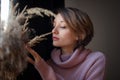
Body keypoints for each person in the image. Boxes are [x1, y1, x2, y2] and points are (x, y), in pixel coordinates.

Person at [26, 7, 106, 80]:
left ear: (80, 34)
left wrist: (47, 73)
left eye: (63, 26)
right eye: (54, 25)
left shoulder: (95, 60)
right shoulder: (47, 64)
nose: (54, 31)